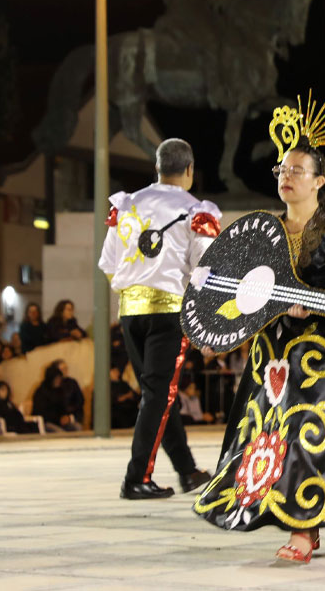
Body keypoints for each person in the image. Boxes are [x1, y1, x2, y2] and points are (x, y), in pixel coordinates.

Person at [194, 129, 325, 563]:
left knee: (306, 429)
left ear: (319, 181)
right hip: (273, 356)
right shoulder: (262, 233)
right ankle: (304, 520)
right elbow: (239, 298)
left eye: (297, 171)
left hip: (320, 354)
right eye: (282, 170)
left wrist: (316, 305)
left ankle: (303, 529)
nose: (287, 177)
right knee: (270, 436)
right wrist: (217, 334)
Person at [98, 137, 218, 499]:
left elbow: (108, 263)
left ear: (157, 168)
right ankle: (136, 477)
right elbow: (205, 269)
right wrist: (208, 320)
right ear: (190, 170)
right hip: (169, 312)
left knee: (157, 394)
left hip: (130, 312)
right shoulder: (197, 211)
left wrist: (135, 289)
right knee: (158, 395)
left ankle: (187, 471)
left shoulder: (126, 204)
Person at [32, 365, 80, 432]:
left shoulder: (60, 390)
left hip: (59, 422)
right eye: (56, 378)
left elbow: (63, 407)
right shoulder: (41, 392)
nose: (58, 381)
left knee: (77, 427)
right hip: (46, 423)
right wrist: (57, 419)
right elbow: (41, 413)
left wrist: (67, 417)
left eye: (59, 378)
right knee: (60, 433)